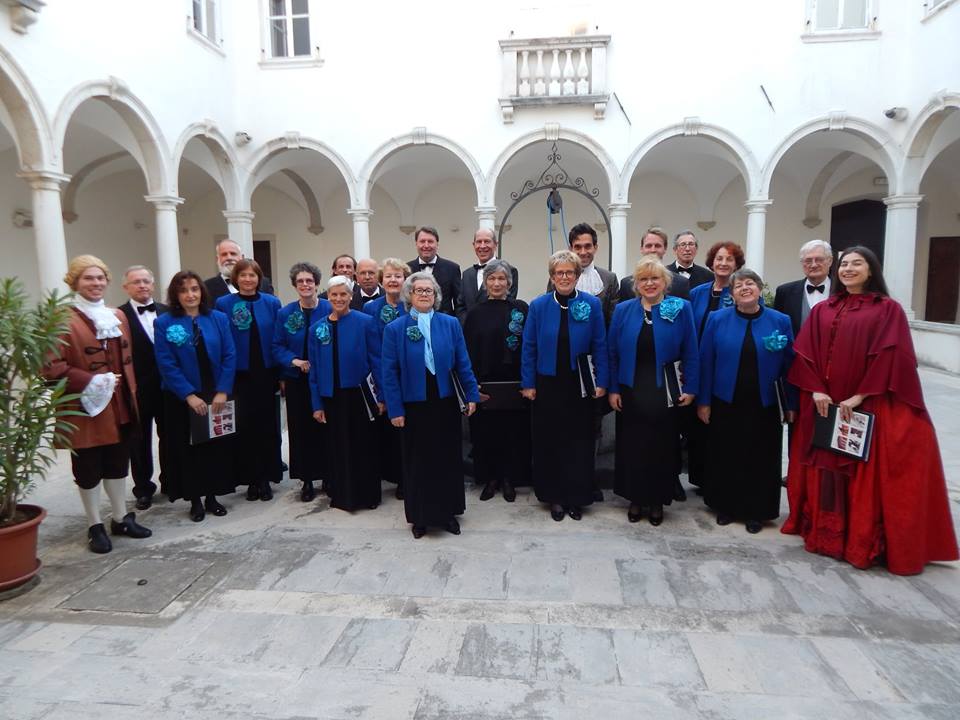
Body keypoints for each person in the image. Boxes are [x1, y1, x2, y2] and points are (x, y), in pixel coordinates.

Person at [782, 246, 958, 575]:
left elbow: (893, 357)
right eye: (845, 264)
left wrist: (860, 396)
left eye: (856, 264)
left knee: (862, 470)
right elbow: (805, 354)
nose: (848, 269)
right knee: (827, 469)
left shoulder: (888, 309)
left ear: (871, 270)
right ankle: (829, 535)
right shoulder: (824, 309)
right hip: (825, 404)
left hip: (866, 404)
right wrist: (816, 388)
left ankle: (860, 539)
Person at [43, 255, 151, 553]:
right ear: (75, 282)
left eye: (100, 277)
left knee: (118, 464)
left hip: (119, 405)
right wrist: (91, 380)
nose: (96, 283)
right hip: (84, 408)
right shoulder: (60, 319)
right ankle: (94, 524)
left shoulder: (117, 316)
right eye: (88, 278)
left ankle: (121, 518)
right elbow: (51, 367)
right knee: (88, 468)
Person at [381, 271, 480, 538]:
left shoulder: (450, 324)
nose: (424, 294)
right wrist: (395, 409)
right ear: (409, 295)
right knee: (418, 461)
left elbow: (463, 362)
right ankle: (420, 517)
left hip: (445, 401)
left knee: (446, 458)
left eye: (429, 290)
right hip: (413, 405)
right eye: (419, 290)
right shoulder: (395, 329)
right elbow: (389, 373)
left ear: (436, 296)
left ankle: (448, 513)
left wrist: (471, 394)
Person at [697, 268, 795, 533]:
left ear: (759, 289)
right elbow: (706, 361)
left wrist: (790, 404)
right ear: (732, 294)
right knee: (726, 454)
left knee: (760, 457)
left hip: (765, 403)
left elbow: (790, 366)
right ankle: (725, 506)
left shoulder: (780, 320)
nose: (744, 288)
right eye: (738, 286)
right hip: (726, 400)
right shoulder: (717, 319)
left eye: (750, 283)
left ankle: (756, 511)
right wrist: (704, 401)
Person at [608, 257, 698, 526]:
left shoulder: (681, 308)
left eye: (654, 278)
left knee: (661, 447)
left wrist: (691, 387)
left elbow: (691, 351)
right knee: (633, 447)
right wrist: (613, 389)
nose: (649, 283)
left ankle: (657, 500)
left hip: (666, 390)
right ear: (636, 284)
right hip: (631, 389)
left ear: (665, 282)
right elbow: (612, 353)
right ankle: (635, 498)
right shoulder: (623, 310)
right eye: (643, 279)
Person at [522, 250, 609, 522]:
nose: (564, 277)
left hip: (580, 383)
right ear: (552, 277)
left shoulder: (591, 304)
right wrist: (528, 383)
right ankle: (555, 496)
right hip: (547, 383)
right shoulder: (538, 306)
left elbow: (600, 345)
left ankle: (577, 496)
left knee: (579, 441)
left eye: (569, 272)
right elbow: (529, 347)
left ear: (577, 275)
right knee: (550, 441)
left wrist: (602, 381)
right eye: (559, 273)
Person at [154, 271, 237, 521]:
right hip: (181, 397)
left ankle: (212, 496)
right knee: (188, 449)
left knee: (213, 447)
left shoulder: (218, 318)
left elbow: (229, 354)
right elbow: (166, 363)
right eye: (184, 290)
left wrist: (222, 390)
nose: (190, 295)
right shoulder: (164, 322)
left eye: (194, 289)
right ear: (176, 295)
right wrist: (188, 395)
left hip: (214, 392)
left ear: (201, 291)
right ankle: (195, 500)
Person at [308, 276, 383, 512]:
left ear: (351, 296)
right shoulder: (316, 329)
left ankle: (367, 495)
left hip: (360, 395)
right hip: (332, 397)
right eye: (334, 294)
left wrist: (381, 396)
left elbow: (377, 361)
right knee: (338, 447)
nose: (339, 298)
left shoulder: (365, 322)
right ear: (327, 296)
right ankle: (343, 495)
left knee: (364, 445)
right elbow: (314, 370)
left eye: (343, 294)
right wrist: (317, 404)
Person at [463, 259, 531, 502]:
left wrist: (527, 381)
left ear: (509, 283)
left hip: (514, 383)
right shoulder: (474, 313)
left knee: (512, 433)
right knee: (486, 434)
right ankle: (490, 478)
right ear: (485, 283)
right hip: (484, 384)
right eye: (492, 278)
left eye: (502, 278)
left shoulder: (521, 309)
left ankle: (509, 479)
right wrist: (472, 384)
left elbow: (529, 346)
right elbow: (467, 351)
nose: (497, 283)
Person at [215, 259, 283, 500]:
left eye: (252, 275)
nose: (247, 279)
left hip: (265, 373)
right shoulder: (223, 304)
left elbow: (278, 339)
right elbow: (222, 341)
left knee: (267, 426)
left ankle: (266, 478)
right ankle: (250, 480)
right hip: (238, 375)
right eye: (242, 275)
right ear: (236, 278)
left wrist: (281, 375)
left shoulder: (272, 303)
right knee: (244, 428)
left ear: (258, 278)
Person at [685, 241, 745, 493]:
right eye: (719, 258)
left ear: (737, 264)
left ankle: (718, 480)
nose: (723, 263)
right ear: (711, 262)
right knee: (696, 425)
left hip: (725, 370)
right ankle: (700, 478)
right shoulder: (698, 292)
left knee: (720, 426)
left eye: (729, 259)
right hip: (697, 365)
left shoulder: (741, 291)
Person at [272, 262, 331, 501]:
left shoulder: (328, 307)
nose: (305, 285)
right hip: (297, 380)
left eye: (309, 281)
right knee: (301, 430)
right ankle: (306, 479)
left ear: (316, 283)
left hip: (325, 378)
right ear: (295, 285)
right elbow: (277, 345)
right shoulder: (285, 313)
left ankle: (328, 475)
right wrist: (293, 361)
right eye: (300, 281)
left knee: (325, 428)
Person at [118, 265, 166, 510]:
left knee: (170, 436)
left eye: (146, 281)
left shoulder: (167, 311)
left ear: (153, 285)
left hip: (168, 387)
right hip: (138, 388)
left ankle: (171, 481)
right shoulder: (119, 316)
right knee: (139, 441)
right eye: (136, 282)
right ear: (126, 287)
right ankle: (143, 488)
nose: (142, 285)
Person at [362, 258, 410, 498]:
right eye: (388, 276)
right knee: (391, 431)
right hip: (384, 376)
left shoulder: (412, 305)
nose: (393, 280)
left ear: (405, 280)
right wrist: (382, 391)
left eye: (398, 276)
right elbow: (373, 352)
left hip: (410, 377)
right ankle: (396, 477)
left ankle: (409, 476)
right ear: (382, 280)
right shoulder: (371, 309)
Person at [553, 223, 618, 326]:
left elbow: (613, 320)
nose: (583, 252)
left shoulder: (609, 279)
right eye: (578, 247)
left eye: (587, 246)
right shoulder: (558, 277)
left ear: (595, 247)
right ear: (571, 249)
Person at [456, 228, 519, 323]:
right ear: (473, 245)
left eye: (487, 241)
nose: (482, 246)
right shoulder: (467, 274)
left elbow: (507, 303)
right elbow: (460, 306)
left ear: (496, 244)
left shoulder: (509, 270)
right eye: (479, 242)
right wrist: (468, 324)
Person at [773, 239, 834, 338]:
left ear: (830, 261)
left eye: (819, 259)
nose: (813, 265)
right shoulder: (784, 292)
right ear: (802, 263)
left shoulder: (843, 291)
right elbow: (778, 327)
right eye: (808, 261)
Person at [618, 228, 691, 301]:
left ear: (665, 249)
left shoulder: (681, 283)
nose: (653, 250)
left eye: (657, 246)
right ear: (641, 249)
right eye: (648, 246)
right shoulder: (626, 284)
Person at [407, 226, 461, 315]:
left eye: (430, 241)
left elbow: (459, 303)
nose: (426, 245)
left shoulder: (452, 268)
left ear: (437, 244)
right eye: (422, 241)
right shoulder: (407, 269)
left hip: (443, 321)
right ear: (416, 244)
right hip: (413, 320)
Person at [204, 239, 274, 299]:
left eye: (233, 254)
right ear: (217, 259)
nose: (229, 258)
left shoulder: (263, 283)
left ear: (242, 257)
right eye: (224, 254)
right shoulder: (207, 287)